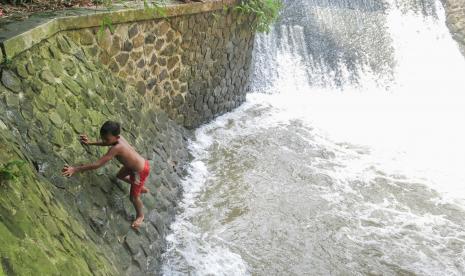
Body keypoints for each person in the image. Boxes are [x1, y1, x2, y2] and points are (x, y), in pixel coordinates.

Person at [62, 121, 150, 229]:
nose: (105, 141)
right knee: (119, 176)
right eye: (103, 138)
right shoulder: (117, 138)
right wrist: (90, 142)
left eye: (107, 139)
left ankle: (141, 216)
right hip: (133, 166)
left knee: (133, 197)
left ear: (116, 137)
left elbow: (97, 164)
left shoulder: (117, 148)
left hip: (140, 171)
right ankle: (140, 187)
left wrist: (75, 169)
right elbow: (106, 143)